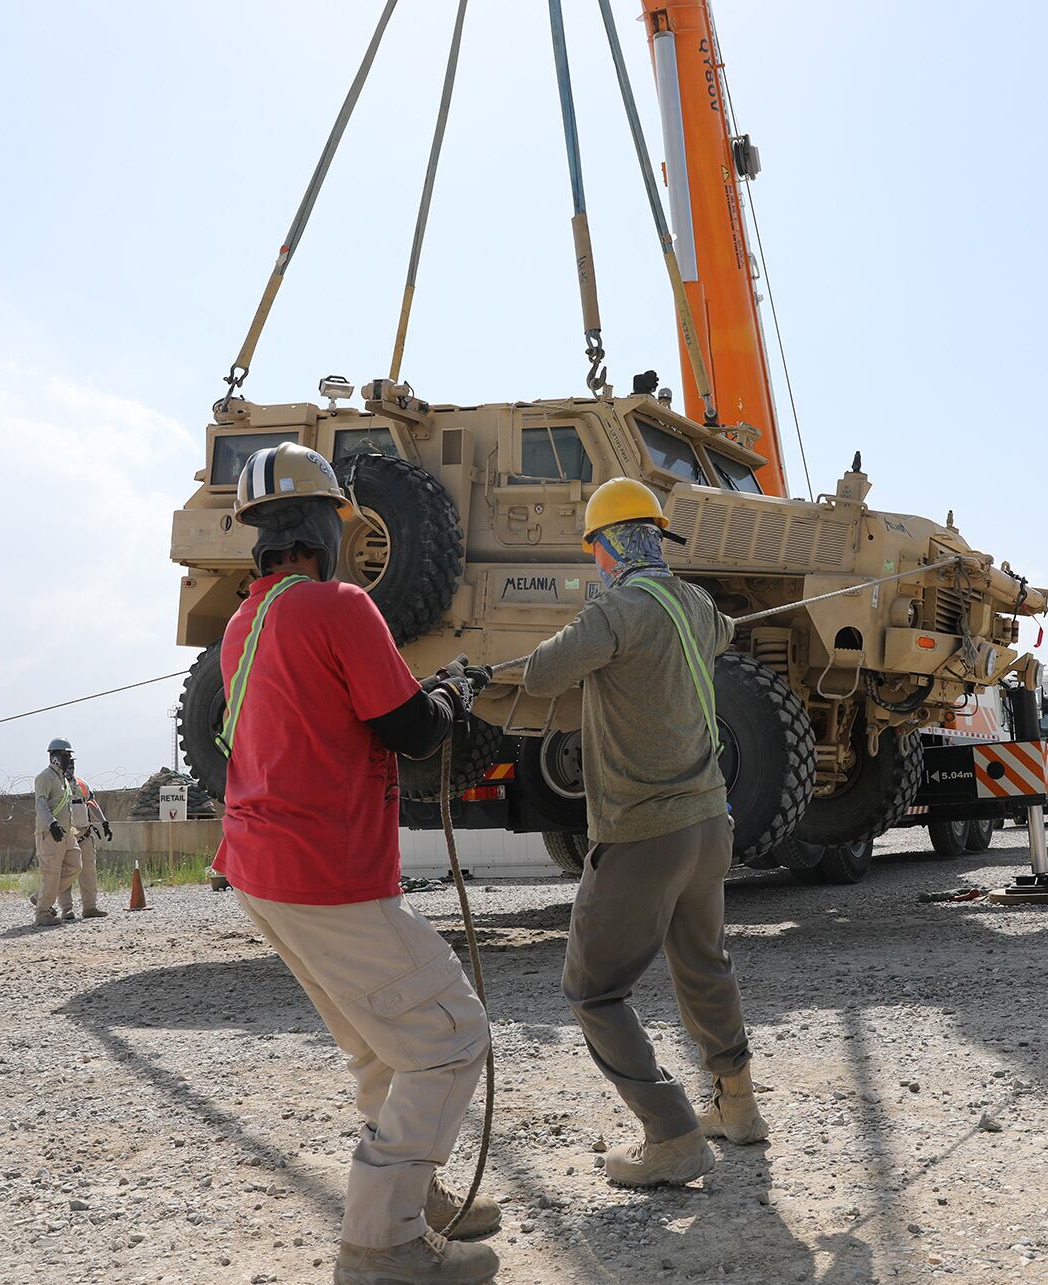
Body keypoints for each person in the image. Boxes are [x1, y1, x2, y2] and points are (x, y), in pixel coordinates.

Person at [214, 443, 500, 1285]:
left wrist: (432, 698)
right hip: (322, 868)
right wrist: (453, 693)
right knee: (450, 1038)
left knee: (382, 1047)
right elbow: (411, 730)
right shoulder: (340, 607)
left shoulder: (244, 622)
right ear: (323, 528)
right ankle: (381, 1243)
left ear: (259, 538)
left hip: (262, 871)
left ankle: (410, 1198)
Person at [521, 477, 767, 1190]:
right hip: (707, 823)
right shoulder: (695, 604)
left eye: (595, 545)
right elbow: (723, 631)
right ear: (656, 537)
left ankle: (671, 1133)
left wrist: (589, 618)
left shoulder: (617, 609)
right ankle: (738, 1107)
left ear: (604, 547)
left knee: (592, 989)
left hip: (643, 833)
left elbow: (540, 675)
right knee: (702, 964)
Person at [31, 739, 88, 926]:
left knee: (75, 865)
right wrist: (52, 824)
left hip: (66, 832)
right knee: (51, 873)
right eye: (65, 756)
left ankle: (41, 897)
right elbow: (41, 804)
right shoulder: (45, 777)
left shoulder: (62, 778)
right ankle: (42, 913)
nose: (68, 760)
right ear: (55, 756)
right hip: (50, 833)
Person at [53, 760, 112, 920]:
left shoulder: (81, 784)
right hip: (66, 836)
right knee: (67, 873)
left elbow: (91, 803)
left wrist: (104, 822)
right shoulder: (55, 785)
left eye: (72, 765)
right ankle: (66, 909)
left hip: (84, 835)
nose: (70, 768)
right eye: (67, 764)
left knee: (88, 873)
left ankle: (90, 907)